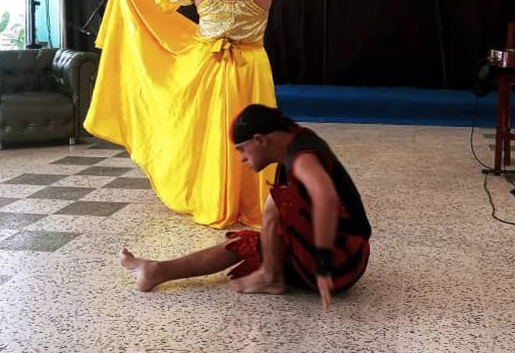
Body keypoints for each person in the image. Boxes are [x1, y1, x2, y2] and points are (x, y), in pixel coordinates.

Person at [84, 0, 328, 228]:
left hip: (208, 69)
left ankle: (213, 194)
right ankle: (251, 197)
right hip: (251, 69)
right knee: (254, 132)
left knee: (212, 132)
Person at [120, 104, 371, 310]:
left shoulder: (303, 157)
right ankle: (157, 270)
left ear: (260, 140)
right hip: (344, 257)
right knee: (256, 236)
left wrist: (323, 266)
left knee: (272, 209)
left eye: (242, 149)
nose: (242, 158)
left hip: (341, 264)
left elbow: (326, 198)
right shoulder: (296, 140)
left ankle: (271, 277)